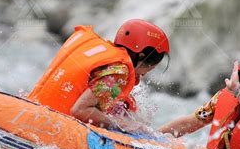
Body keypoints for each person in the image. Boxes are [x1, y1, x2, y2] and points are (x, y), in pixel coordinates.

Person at [28, 19, 169, 131]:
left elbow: (98, 95)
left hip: (34, 113)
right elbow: (81, 110)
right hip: (49, 127)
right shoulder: (118, 72)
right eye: (150, 68)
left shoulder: (103, 56)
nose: (145, 75)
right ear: (142, 56)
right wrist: (122, 127)